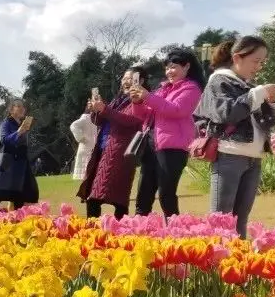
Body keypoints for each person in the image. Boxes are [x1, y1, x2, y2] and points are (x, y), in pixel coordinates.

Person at [194, 37, 275, 239]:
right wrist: (256, 95)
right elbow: (227, 114)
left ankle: (237, 265)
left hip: (254, 158)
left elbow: (267, 122)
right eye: (256, 61)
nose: (259, 66)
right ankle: (216, 266)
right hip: (228, 156)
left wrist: (273, 102)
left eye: (262, 62)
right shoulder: (219, 81)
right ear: (237, 57)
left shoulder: (250, 86)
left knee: (240, 219)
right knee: (222, 218)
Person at [132, 49, 206, 217]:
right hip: (151, 145)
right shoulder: (162, 89)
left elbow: (177, 110)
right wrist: (137, 102)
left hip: (172, 148)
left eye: (173, 67)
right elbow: (143, 115)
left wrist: (148, 96)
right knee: (143, 193)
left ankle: (176, 232)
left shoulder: (192, 88)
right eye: (167, 68)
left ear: (186, 66)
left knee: (166, 194)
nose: (168, 72)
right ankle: (138, 232)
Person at [78, 68, 152, 219]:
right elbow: (99, 121)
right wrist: (95, 110)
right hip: (104, 150)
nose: (125, 81)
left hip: (121, 153)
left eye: (130, 78)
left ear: (141, 81)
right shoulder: (118, 100)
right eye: (124, 78)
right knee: (107, 197)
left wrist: (104, 109)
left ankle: (106, 233)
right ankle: (101, 232)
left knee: (109, 198)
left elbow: (130, 120)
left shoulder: (141, 100)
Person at [0, 100, 38, 210]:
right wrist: (19, 132)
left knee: (25, 192)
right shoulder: (5, 123)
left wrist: (22, 130)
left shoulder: (20, 124)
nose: (22, 109)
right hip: (9, 163)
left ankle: (16, 217)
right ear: (11, 110)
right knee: (2, 194)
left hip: (21, 162)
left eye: (23, 107)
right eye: (18, 106)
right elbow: (4, 139)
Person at [69, 109, 96, 181]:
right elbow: (73, 126)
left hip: (92, 148)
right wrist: (81, 138)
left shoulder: (96, 118)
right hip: (86, 149)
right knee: (86, 176)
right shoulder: (86, 118)